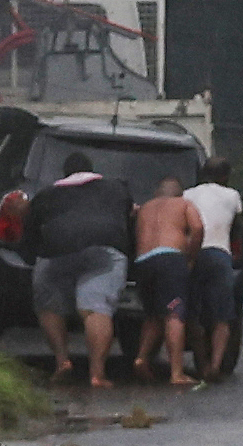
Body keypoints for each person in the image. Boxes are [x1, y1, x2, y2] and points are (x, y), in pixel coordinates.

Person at [28, 159, 132, 380]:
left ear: (64, 173)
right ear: (92, 170)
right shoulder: (116, 188)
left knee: (49, 305)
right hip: (103, 251)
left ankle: (62, 361)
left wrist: (31, 256)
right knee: (95, 307)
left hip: (56, 252)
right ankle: (97, 374)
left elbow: (30, 234)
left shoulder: (46, 195)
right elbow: (127, 218)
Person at [124, 167, 201, 385]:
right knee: (174, 314)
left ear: (157, 192)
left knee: (153, 315)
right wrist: (190, 257)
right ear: (180, 192)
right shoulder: (184, 204)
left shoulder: (144, 208)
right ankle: (176, 373)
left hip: (143, 262)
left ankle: (141, 358)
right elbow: (198, 228)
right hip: (170, 259)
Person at [179, 157, 243, 383]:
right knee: (223, 317)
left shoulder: (187, 194)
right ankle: (216, 366)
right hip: (219, 256)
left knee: (193, 313)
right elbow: (235, 229)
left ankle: (202, 365)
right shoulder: (233, 196)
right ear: (225, 176)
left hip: (193, 254)